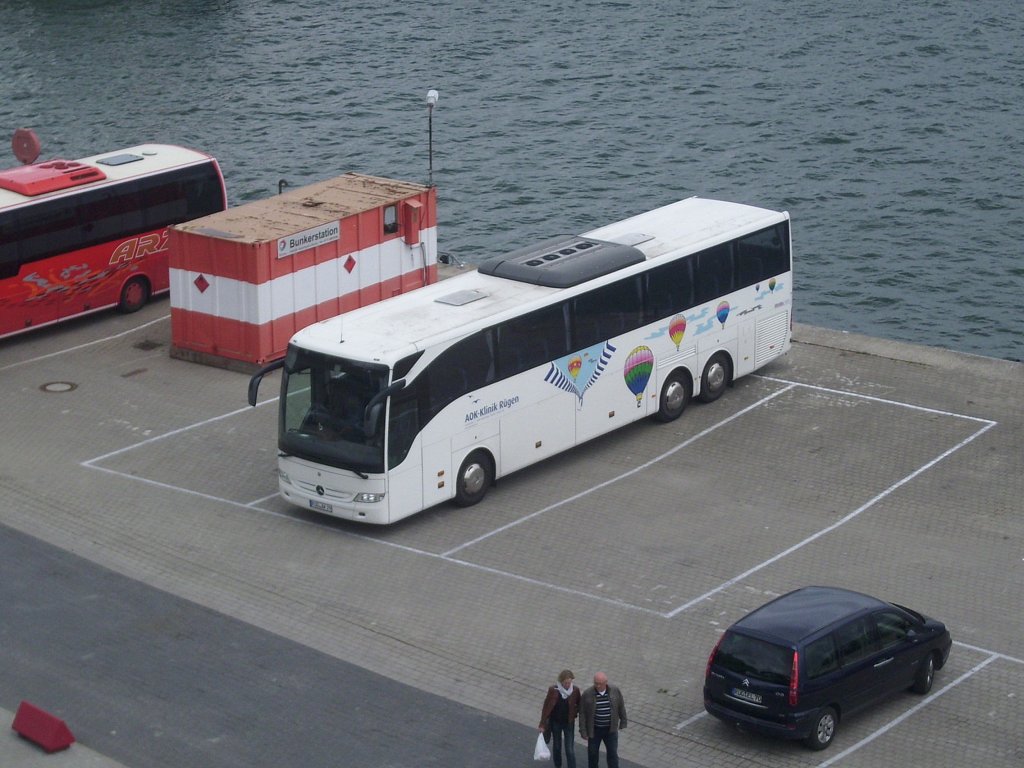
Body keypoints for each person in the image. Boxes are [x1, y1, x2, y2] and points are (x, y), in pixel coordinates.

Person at [578, 672, 627, 768]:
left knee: (612, 753)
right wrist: (583, 731)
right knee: (592, 754)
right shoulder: (587, 694)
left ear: (606, 682)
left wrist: (623, 721)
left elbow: (621, 705)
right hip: (594, 730)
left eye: (600, 683)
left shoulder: (614, 690)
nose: (597, 686)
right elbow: (582, 713)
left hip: (611, 730)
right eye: (595, 683)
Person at [539, 669, 581, 768]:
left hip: (568, 723)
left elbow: (580, 704)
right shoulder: (553, 690)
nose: (568, 685)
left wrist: (574, 713)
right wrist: (542, 724)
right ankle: (558, 765)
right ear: (561, 681)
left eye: (569, 682)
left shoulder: (575, 690)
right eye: (566, 683)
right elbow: (546, 707)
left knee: (569, 749)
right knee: (557, 746)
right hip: (556, 723)